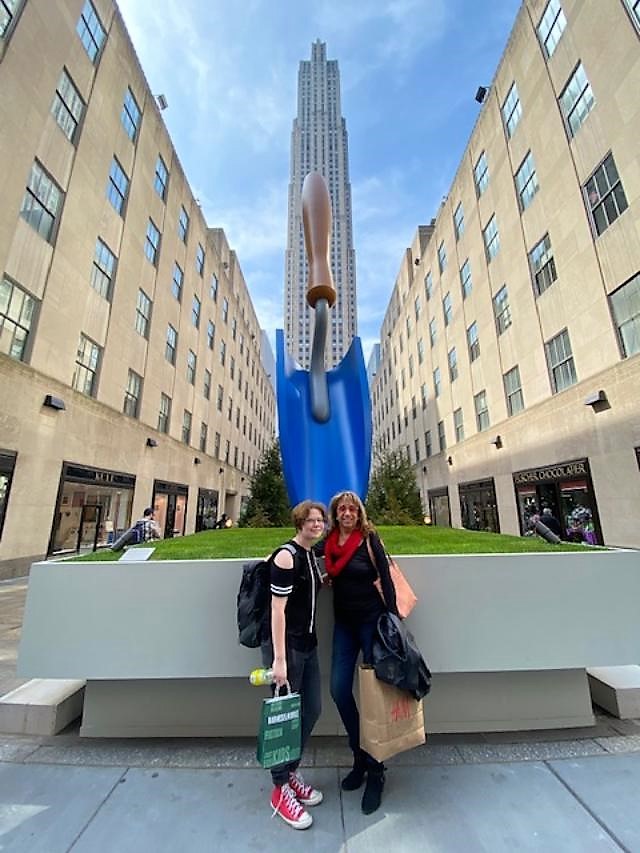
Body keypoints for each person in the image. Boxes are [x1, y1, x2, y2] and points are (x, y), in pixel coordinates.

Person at [322, 490, 398, 816]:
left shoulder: (369, 538)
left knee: (373, 697)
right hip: (344, 627)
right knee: (339, 690)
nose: (348, 513)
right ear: (336, 514)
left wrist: (393, 621)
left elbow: (388, 579)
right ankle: (358, 755)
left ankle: (376, 768)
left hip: (371, 625)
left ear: (359, 513)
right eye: (342, 509)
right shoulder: (329, 545)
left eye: (352, 509)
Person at [262, 500, 327, 830]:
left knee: (311, 710)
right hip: (288, 651)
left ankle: (290, 773)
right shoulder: (287, 557)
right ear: (299, 523)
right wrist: (279, 660)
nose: (317, 525)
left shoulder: (310, 558)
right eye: (311, 520)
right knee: (283, 720)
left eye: (320, 520)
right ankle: (279, 788)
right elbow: (277, 611)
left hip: (308, 647)